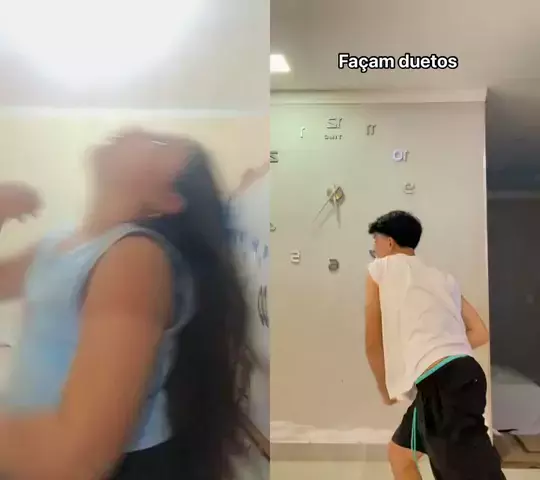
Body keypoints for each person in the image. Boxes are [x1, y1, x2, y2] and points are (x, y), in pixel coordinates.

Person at [0, 129, 252, 479]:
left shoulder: (134, 258)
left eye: (158, 144)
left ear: (167, 200)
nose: (132, 132)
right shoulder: (61, 242)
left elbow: (76, 457)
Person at [364, 210, 505, 480]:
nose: (374, 249)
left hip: (443, 385)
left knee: (470, 472)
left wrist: (385, 390)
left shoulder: (380, 269)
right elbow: (480, 332)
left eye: (375, 242)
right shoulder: (443, 278)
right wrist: (444, 347)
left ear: (389, 242)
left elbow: (372, 343)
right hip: (460, 375)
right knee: (400, 454)